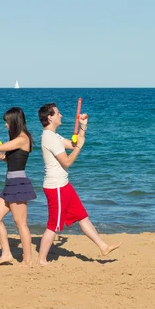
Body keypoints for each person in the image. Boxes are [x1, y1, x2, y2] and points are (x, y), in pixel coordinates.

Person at [37, 102, 121, 266]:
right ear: (50, 117)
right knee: (53, 224)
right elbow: (67, 161)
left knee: (82, 216)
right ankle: (41, 260)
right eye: (58, 113)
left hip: (64, 184)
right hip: (56, 187)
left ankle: (103, 246)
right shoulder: (49, 137)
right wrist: (78, 148)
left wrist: (83, 127)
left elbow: (74, 144)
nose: (61, 115)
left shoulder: (55, 136)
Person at [0, 107, 37, 266]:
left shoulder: (23, 138)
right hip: (10, 183)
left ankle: (27, 260)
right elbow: (7, 158)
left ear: (14, 121)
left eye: (7, 122)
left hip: (18, 183)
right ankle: (6, 254)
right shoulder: (16, 139)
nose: (5, 125)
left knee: (20, 223)